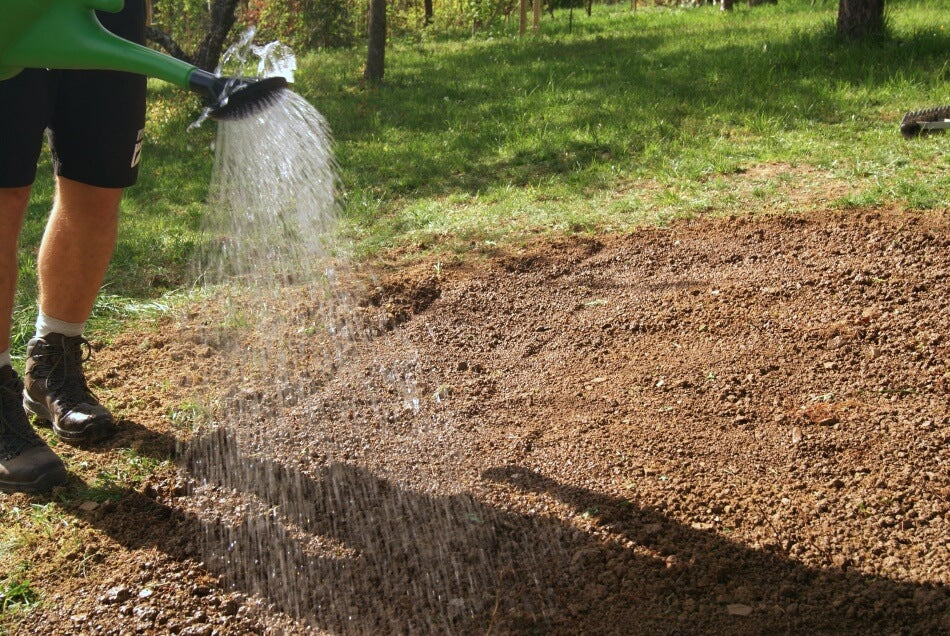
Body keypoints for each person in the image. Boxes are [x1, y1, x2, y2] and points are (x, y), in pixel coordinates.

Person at [0, 0, 147, 494]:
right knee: (3, 196)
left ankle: (52, 366)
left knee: (97, 185)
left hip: (108, 14)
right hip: (9, 15)